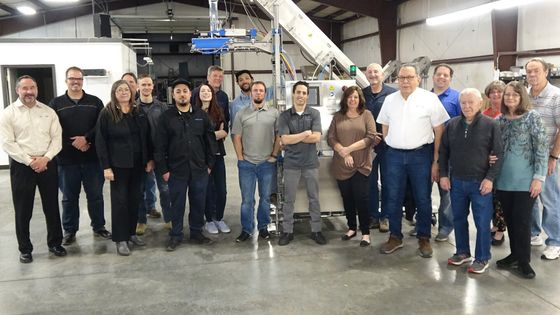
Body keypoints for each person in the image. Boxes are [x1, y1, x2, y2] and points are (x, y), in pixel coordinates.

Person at [377, 64, 449, 258]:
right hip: (394, 155)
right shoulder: (390, 100)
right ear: (397, 80)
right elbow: (384, 125)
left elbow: (439, 130)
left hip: (421, 156)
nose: (406, 81)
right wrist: (391, 142)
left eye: (410, 77)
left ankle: (424, 238)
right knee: (392, 196)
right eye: (402, 78)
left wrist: (436, 161)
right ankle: (395, 236)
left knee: (423, 198)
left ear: (418, 78)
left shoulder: (429, 99)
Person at [0, 75, 66, 263]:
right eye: (25, 88)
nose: (29, 92)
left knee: (51, 206)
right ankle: (25, 249)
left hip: (47, 163)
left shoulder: (48, 111)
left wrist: (45, 158)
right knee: (23, 209)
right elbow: (8, 143)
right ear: (17, 90)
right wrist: (30, 161)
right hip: (22, 166)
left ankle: (55, 243)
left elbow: (57, 139)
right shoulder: (8, 113)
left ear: (37, 89)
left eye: (32, 88)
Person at [439, 88, 503, 274]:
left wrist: (490, 179)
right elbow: (444, 152)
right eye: (463, 103)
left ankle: (482, 258)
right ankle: (462, 252)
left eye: (470, 102)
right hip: (457, 181)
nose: (466, 106)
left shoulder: (491, 125)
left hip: (480, 183)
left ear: (480, 104)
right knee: (458, 218)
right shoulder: (452, 125)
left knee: (482, 222)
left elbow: (499, 154)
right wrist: (444, 174)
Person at [49, 66, 110, 246]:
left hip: (92, 159)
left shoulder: (95, 102)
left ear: (83, 80)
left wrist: (86, 139)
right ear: (66, 80)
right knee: (69, 198)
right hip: (66, 161)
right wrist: (74, 142)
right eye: (72, 78)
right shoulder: (56, 104)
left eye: (79, 79)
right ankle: (69, 230)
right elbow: (53, 130)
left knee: (96, 196)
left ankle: (99, 226)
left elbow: (101, 126)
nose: (75, 82)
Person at [155, 79, 217, 251]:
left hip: (199, 169)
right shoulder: (166, 118)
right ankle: (176, 235)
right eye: (178, 91)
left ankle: (197, 233)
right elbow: (159, 146)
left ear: (190, 94)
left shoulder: (201, 115)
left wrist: (209, 165)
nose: (182, 94)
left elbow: (211, 142)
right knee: (177, 204)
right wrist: (164, 170)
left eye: (185, 91)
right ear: (173, 95)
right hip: (176, 171)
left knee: (198, 202)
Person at [495, 81, 548, 279]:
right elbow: (495, 147)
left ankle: (524, 261)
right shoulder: (500, 120)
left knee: (522, 221)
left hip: (526, 181)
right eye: (507, 94)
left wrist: (538, 178)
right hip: (503, 180)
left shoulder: (532, 117)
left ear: (522, 97)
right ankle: (514, 255)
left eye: (515, 95)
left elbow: (541, 148)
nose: (510, 98)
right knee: (510, 220)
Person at [96, 80, 153, 256]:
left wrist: (149, 159)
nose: (123, 92)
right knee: (120, 202)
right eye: (119, 90)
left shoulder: (138, 112)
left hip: (138, 164)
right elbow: (101, 142)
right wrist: (106, 167)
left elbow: (147, 136)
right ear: (114, 93)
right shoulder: (107, 113)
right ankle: (121, 239)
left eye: (126, 89)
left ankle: (131, 233)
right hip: (118, 166)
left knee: (134, 200)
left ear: (132, 92)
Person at [277, 81, 325, 246]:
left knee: (314, 198)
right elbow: (284, 139)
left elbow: (317, 137)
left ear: (307, 95)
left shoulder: (314, 114)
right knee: (289, 199)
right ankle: (287, 231)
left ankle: (316, 230)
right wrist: (305, 133)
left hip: (310, 163)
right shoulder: (284, 116)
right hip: (291, 164)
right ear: (293, 93)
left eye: (304, 93)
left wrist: (294, 137)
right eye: (298, 92)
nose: (301, 96)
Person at [327, 86, 376, 246]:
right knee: (347, 198)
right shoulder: (338, 117)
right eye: (350, 97)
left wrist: (350, 149)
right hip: (341, 165)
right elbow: (331, 138)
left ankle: (366, 233)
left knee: (362, 199)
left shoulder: (366, 115)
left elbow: (370, 137)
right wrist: (343, 152)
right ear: (345, 99)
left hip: (361, 165)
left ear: (360, 99)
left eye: (355, 97)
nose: (352, 100)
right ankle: (351, 227)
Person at [232, 81, 280, 242]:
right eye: (255, 90)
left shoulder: (274, 113)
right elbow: (236, 137)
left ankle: (263, 228)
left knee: (265, 198)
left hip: (267, 163)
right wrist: (240, 157)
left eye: (261, 90)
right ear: (251, 93)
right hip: (247, 164)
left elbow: (279, 136)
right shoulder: (241, 113)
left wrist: (274, 155)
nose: (258, 93)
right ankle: (247, 229)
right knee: (247, 200)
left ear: (265, 93)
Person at [525, 58, 560, 260]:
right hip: (526, 158)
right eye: (529, 71)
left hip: (547, 156)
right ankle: (534, 233)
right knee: (530, 196)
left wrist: (553, 156)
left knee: (549, 198)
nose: (532, 75)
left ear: (546, 72)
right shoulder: (526, 96)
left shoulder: (555, 96)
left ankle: (555, 241)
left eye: (536, 71)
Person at [362, 63, 397, 233]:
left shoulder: (392, 94)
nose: (373, 75)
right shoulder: (362, 94)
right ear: (366, 75)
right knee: (370, 182)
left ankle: (386, 217)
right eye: (370, 72)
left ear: (382, 74)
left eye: (376, 72)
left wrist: (382, 136)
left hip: (388, 145)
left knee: (388, 182)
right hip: (368, 146)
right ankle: (373, 216)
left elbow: (396, 119)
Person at [135, 74, 171, 235]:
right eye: (143, 85)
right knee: (140, 190)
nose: (146, 87)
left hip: (161, 155)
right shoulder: (133, 108)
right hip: (141, 157)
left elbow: (168, 132)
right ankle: (141, 221)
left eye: (149, 84)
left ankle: (169, 219)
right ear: (138, 87)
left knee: (165, 189)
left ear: (153, 87)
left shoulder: (162, 107)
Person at [194, 83, 230, 234]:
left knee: (221, 190)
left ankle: (219, 218)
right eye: (203, 91)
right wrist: (212, 135)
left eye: (208, 90)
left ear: (212, 94)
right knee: (206, 189)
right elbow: (193, 135)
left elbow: (224, 133)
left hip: (217, 155)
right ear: (198, 95)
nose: (206, 93)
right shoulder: (194, 113)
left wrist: (205, 135)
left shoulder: (218, 111)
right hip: (201, 157)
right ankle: (209, 219)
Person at [430, 64, 461, 242]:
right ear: (433, 76)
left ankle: (445, 227)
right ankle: (423, 222)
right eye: (439, 74)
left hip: (449, 152)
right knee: (422, 190)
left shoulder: (457, 98)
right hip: (426, 149)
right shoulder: (424, 97)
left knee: (446, 191)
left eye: (445, 75)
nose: (442, 77)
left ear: (450, 78)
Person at [482, 80, 507, 246]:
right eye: (493, 92)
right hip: (486, 162)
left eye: (499, 92)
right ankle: (494, 224)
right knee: (490, 196)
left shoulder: (508, 113)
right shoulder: (484, 114)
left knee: (501, 198)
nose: (496, 95)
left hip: (503, 162)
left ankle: (500, 229)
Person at [191, 65, 230, 131]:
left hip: (217, 137)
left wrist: (223, 132)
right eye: (215, 76)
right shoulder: (196, 92)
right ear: (208, 77)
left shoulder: (224, 96)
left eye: (220, 76)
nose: (218, 78)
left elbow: (226, 118)